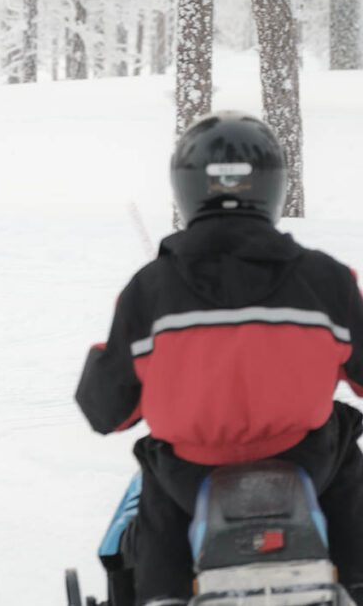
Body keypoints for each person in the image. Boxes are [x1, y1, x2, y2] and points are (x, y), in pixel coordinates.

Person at [75, 111, 363, 606]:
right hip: (303, 460)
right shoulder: (328, 280)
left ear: (185, 189)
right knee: (343, 436)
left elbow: (108, 411)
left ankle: (161, 594)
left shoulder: (150, 290)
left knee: (155, 468)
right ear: (273, 186)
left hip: (191, 473)